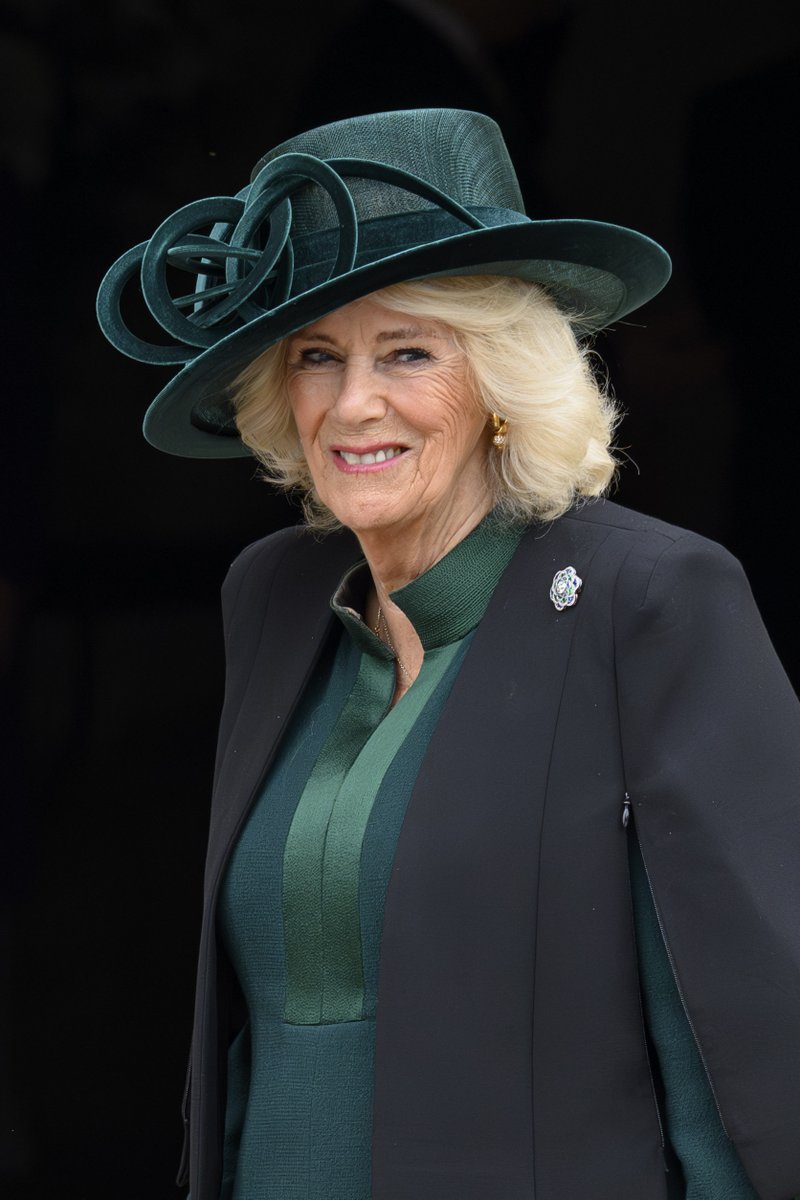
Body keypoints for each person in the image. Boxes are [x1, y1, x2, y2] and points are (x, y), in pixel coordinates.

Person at [96, 109, 800, 1200]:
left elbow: (740, 1035)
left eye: (407, 352)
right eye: (315, 356)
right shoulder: (271, 596)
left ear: (498, 384)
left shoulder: (649, 599)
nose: (352, 402)